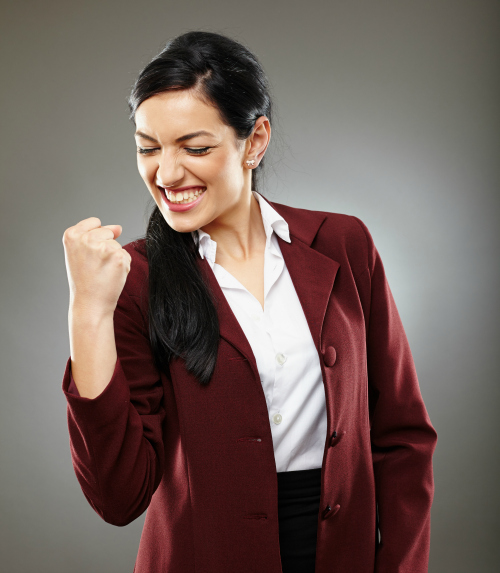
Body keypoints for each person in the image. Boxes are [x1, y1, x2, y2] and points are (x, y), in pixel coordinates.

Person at [61, 31, 438, 573]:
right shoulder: (133, 278)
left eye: (195, 148)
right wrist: (87, 312)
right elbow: (119, 496)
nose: (166, 175)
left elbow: (402, 435)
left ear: (255, 140)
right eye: (148, 148)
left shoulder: (344, 244)